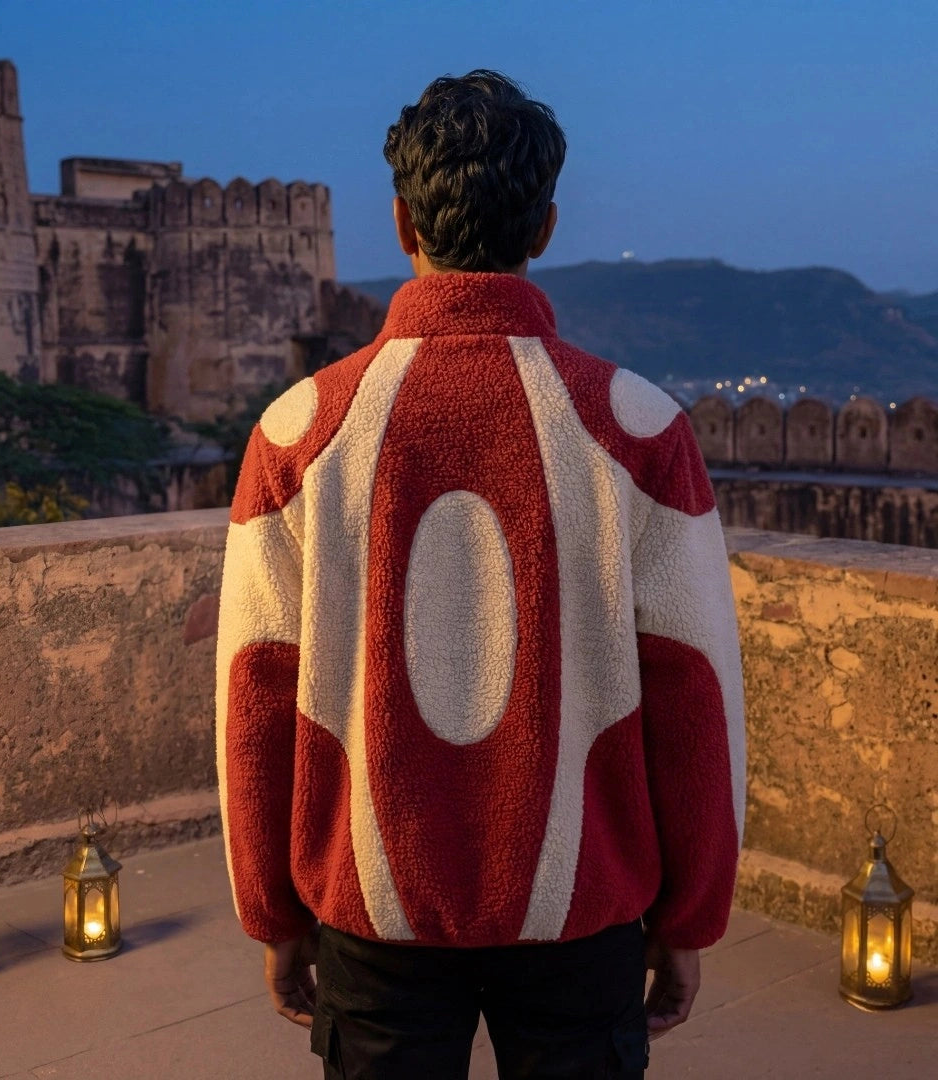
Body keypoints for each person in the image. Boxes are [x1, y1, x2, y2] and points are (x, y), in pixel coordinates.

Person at [215, 70, 745, 1080]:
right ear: (544, 226)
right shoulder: (639, 428)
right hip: (583, 906)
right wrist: (691, 920)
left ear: (402, 219)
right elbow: (696, 694)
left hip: (372, 908)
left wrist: (271, 912)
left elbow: (255, 695)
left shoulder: (297, 433)